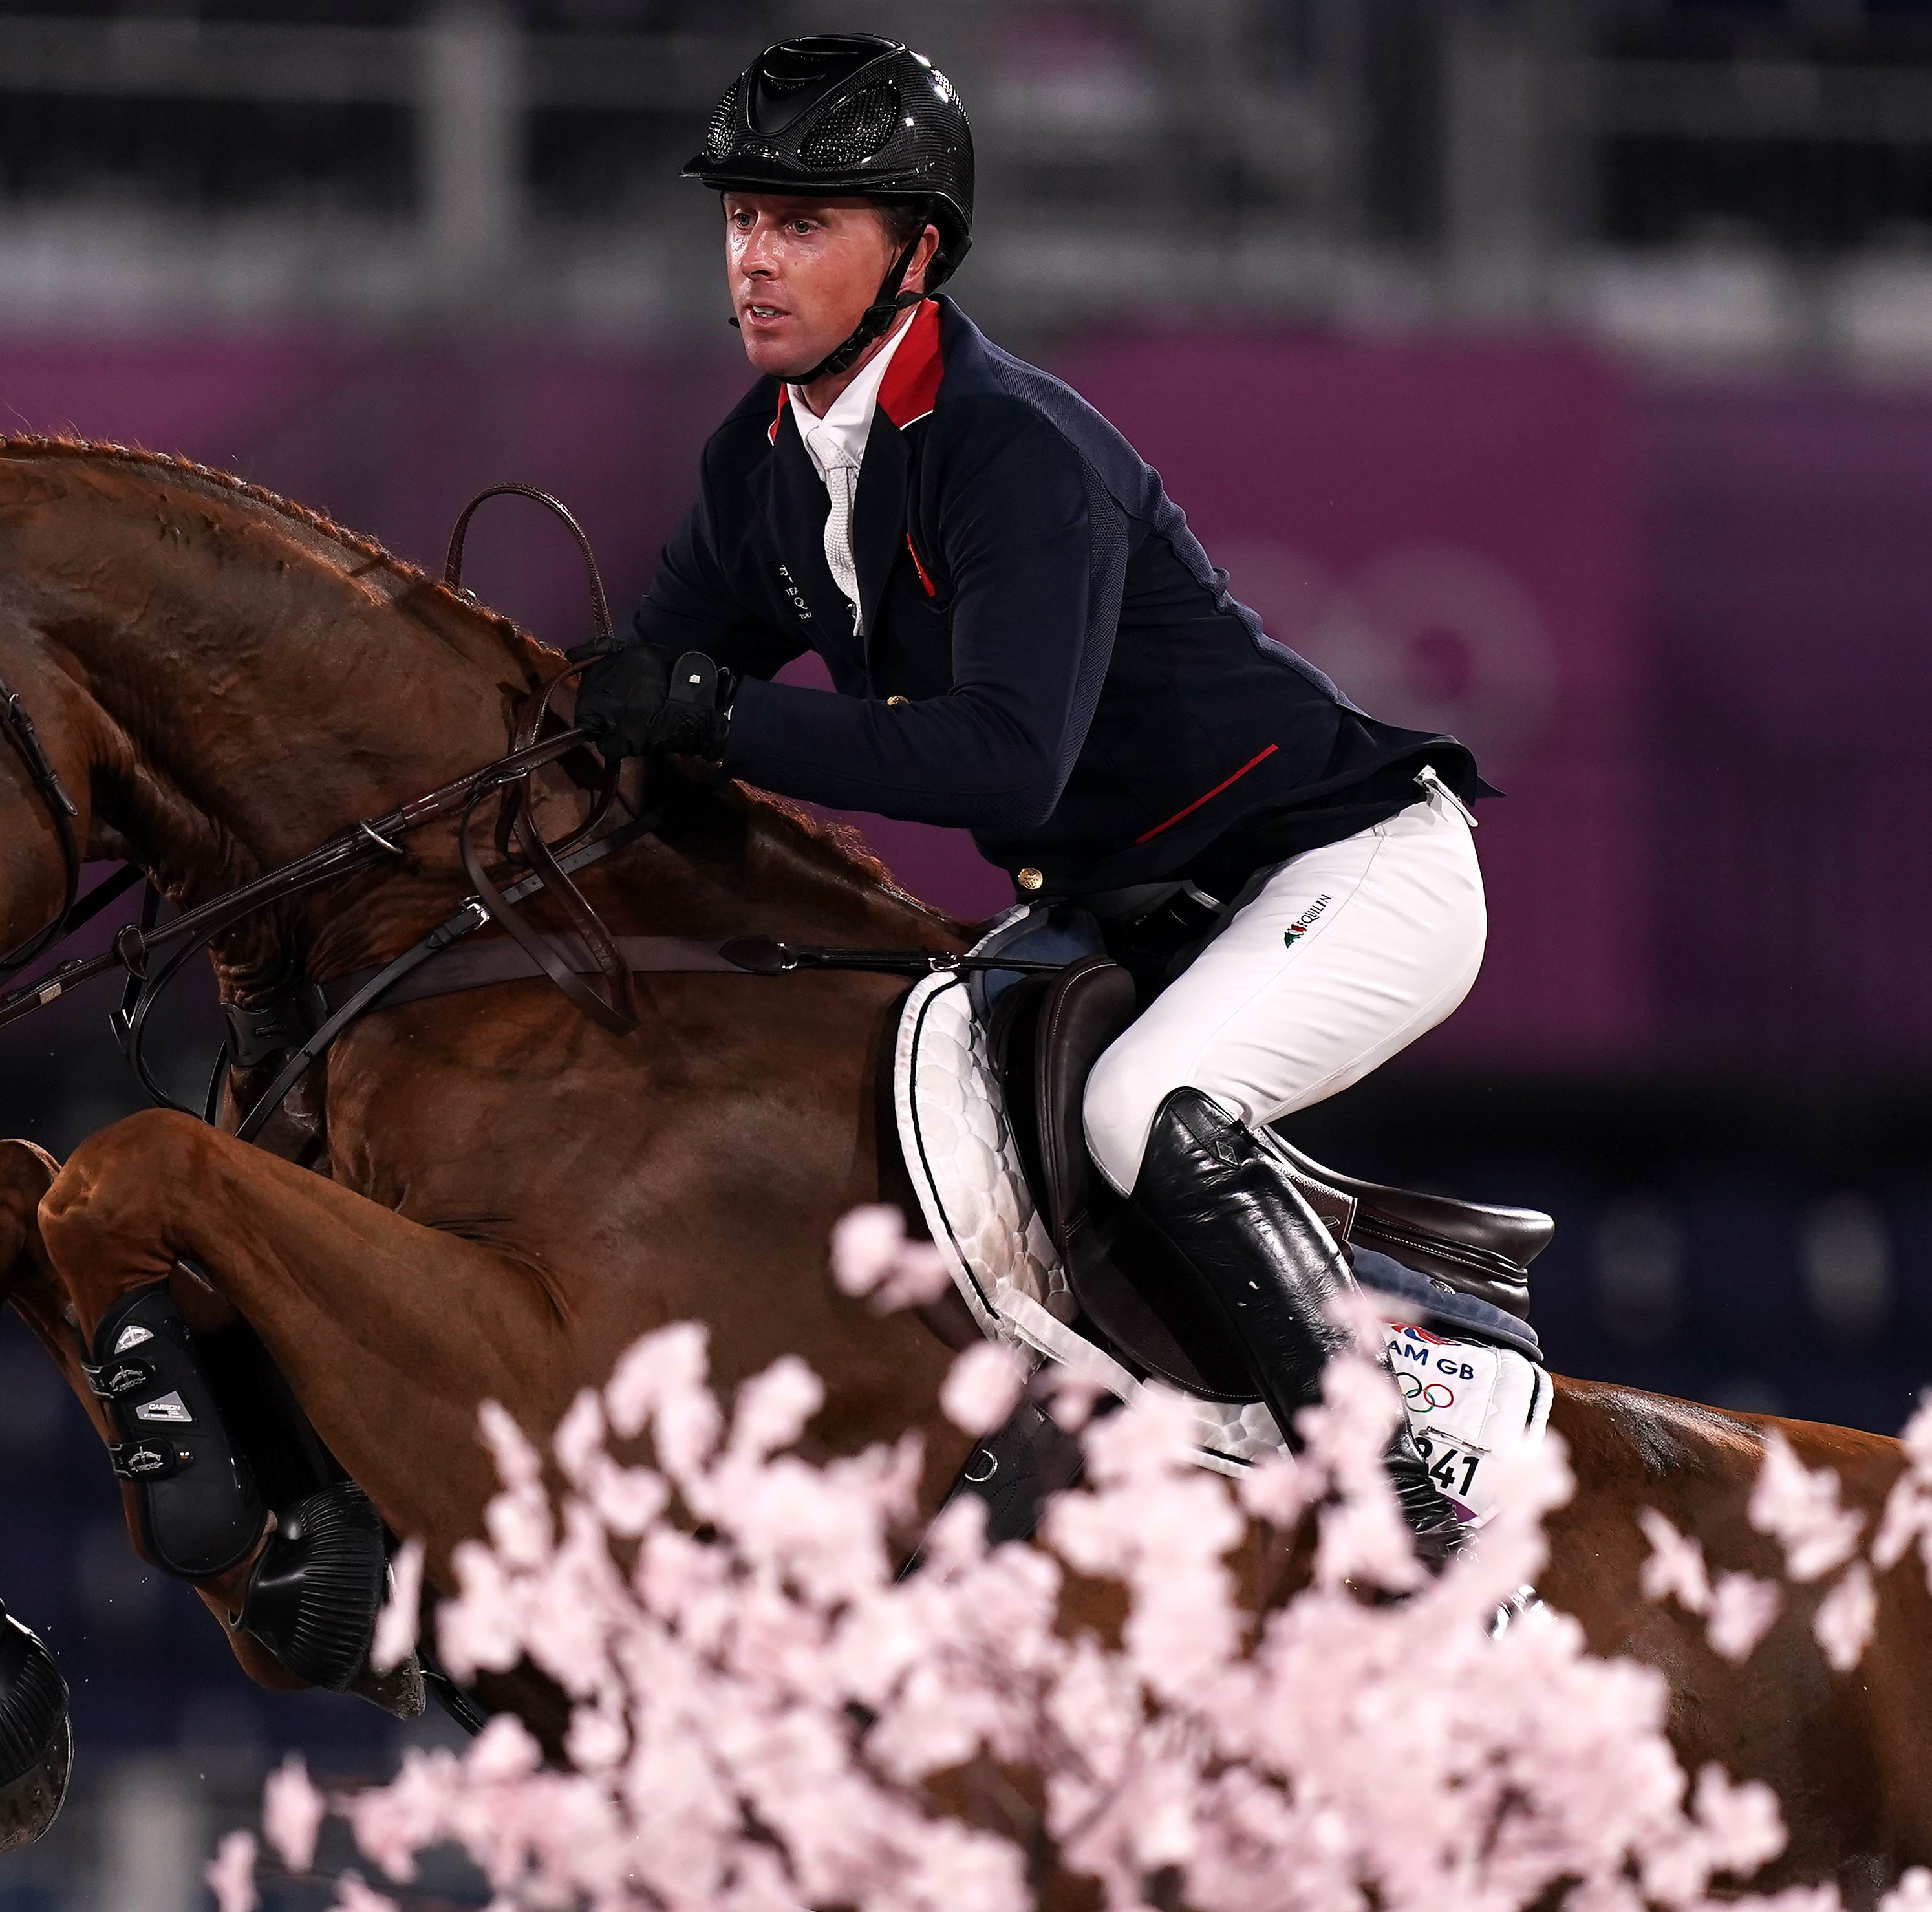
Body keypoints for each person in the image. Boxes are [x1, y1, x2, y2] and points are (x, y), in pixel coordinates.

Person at [574, 33, 1501, 1545]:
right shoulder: (761, 464)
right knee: (898, 1097)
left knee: (1149, 1106)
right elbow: (639, 686)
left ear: (915, 251)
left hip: (1347, 868)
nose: (752, 257)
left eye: (800, 222)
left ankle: (1403, 1469)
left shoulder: (1014, 449)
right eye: (740, 216)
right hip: (1140, 914)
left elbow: (1000, 755)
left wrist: (717, 718)